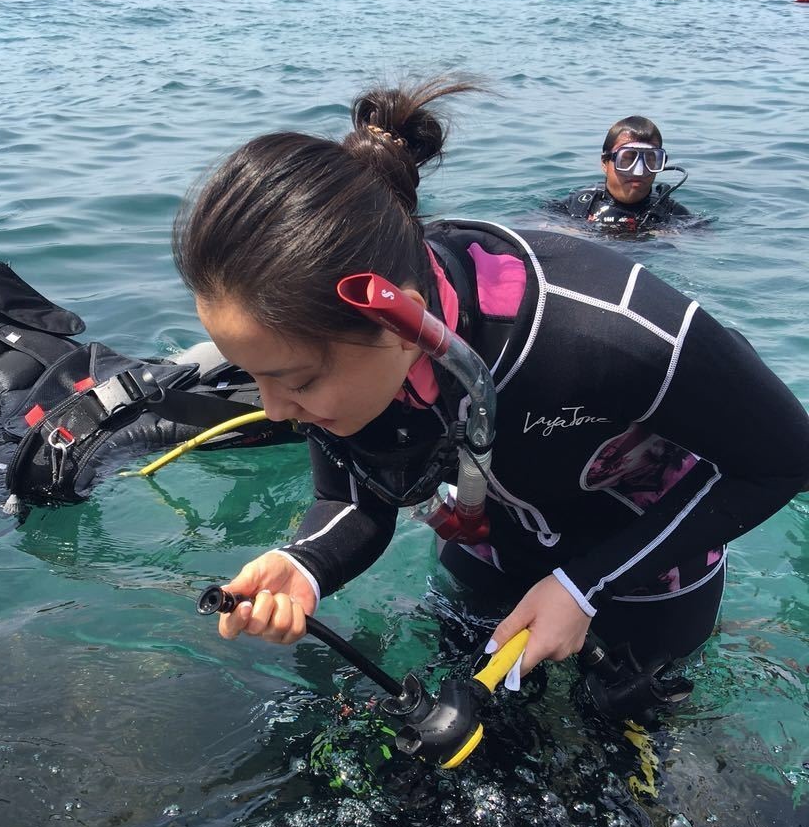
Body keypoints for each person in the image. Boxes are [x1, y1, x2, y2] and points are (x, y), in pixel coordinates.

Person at [173, 79, 809, 690]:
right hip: (495, 549)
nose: (278, 412)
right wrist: (305, 565)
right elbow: (354, 497)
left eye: (298, 382)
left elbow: (782, 461)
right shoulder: (340, 341)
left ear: (399, 321)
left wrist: (585, 584)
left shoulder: (604, 330)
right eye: (256, 377)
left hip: (647, 567)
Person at [553, 115, 692, 232]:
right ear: (604, 163)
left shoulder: (675, 215)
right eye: (627, 159)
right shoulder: (574, 207)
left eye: (650, 159)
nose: (639, 171)